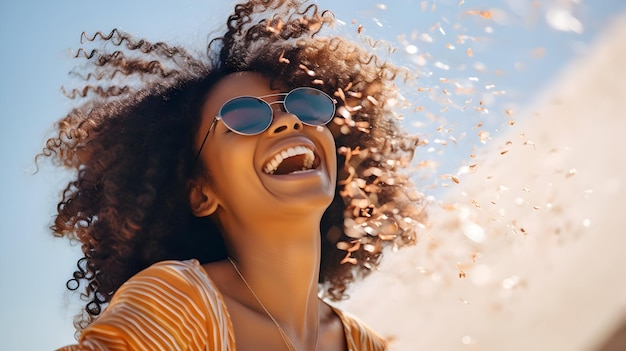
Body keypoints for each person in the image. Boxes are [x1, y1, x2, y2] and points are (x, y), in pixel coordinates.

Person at [41, 0, 425, 349]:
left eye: (305, 105)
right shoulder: (178, 301)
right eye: (244, 117)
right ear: (201, 192)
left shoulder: (363, 343)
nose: (290, 121)